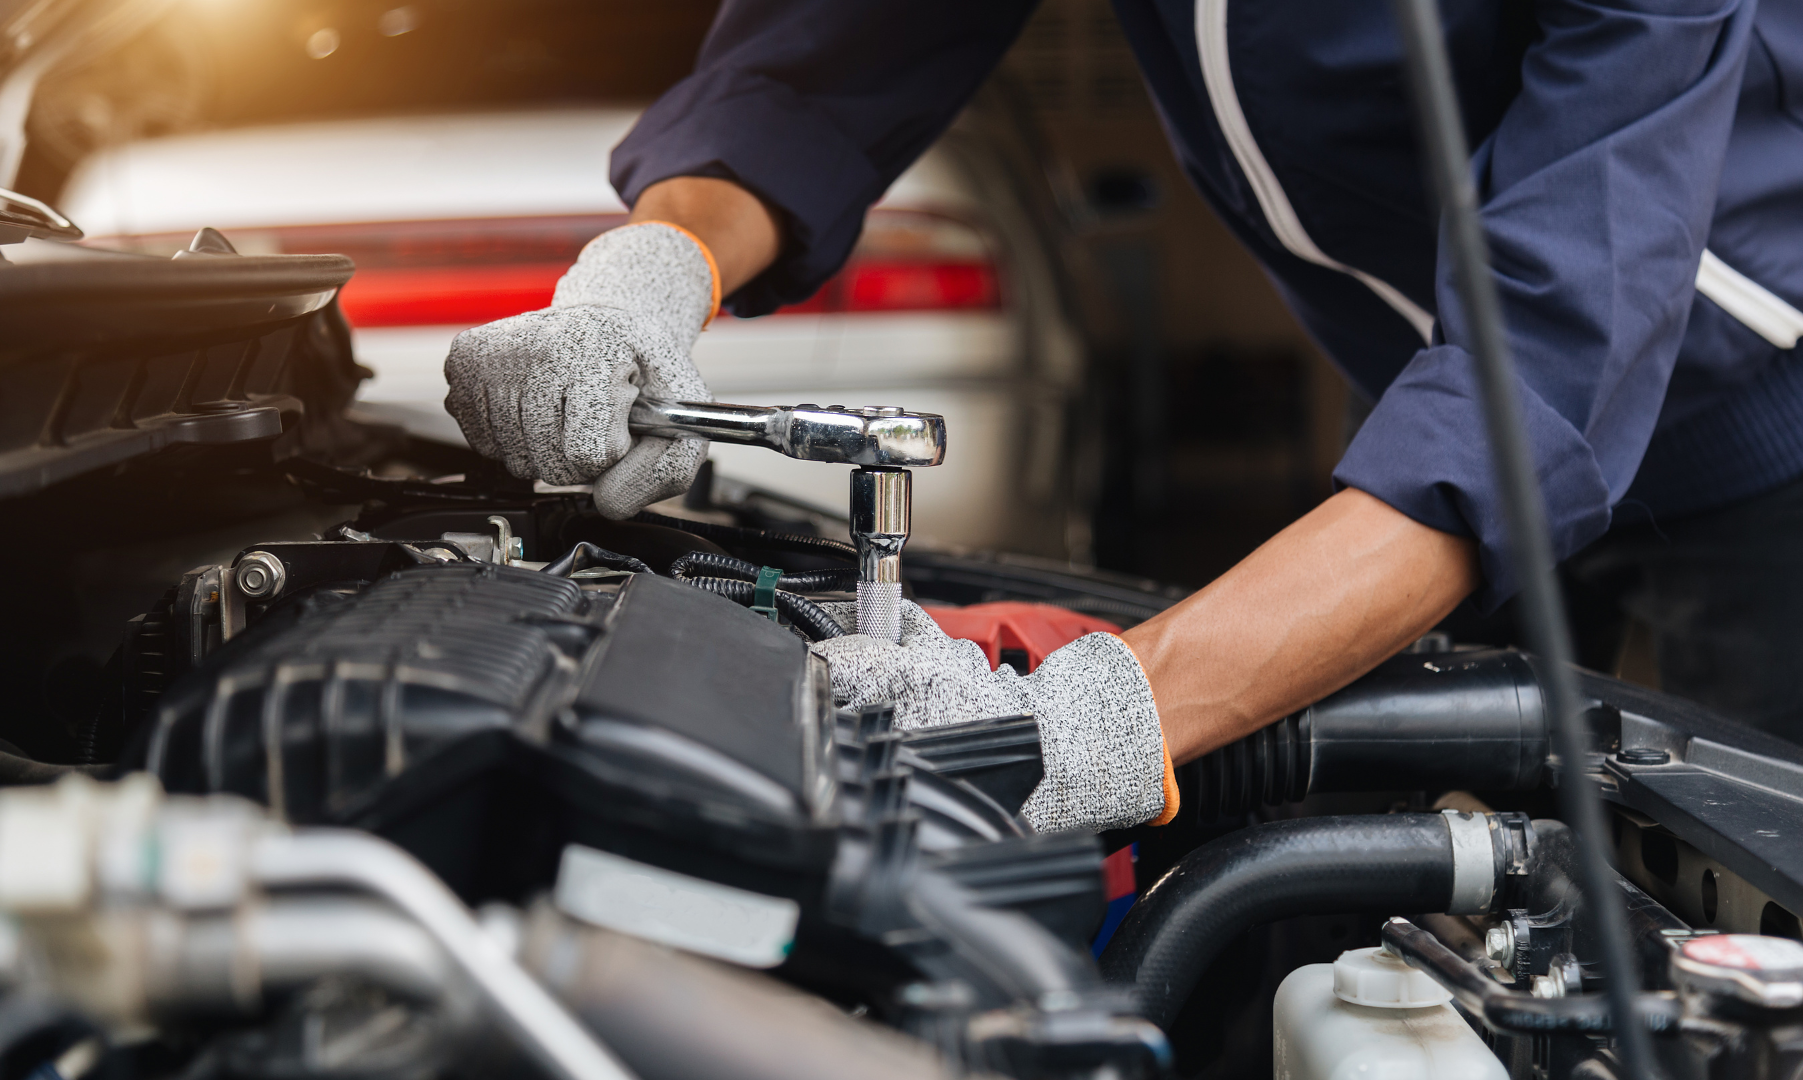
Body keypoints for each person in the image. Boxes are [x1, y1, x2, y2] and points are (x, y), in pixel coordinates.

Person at [444, 0, 1803, 832]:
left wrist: (1092, 712)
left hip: (1755, 416)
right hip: (1419, 405)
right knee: (1378, 901)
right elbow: (816, 61)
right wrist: (649, 276)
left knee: (1743, 897)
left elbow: (1549, 374)